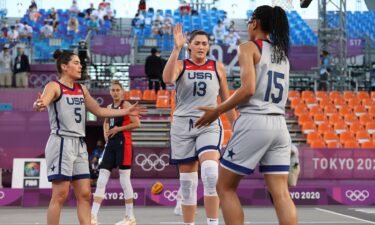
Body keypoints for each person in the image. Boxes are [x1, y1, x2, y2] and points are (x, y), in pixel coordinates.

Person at [195, 5, 297, 225]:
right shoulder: (283, 56)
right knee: (281, 193)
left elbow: (248, 89)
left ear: (255, 22)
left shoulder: (248, 47)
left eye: (250, 21)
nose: (248, 25)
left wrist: (217, 111)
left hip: (255, 120)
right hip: (280, 125)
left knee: (224, 187)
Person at [32, 50, 143, 225]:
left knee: (84, 194)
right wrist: (39, 104)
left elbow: (99, 111)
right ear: (64, 67)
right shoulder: (54, 86)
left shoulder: (81, 89)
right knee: (60, 195)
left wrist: (126, 111)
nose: (80, 65)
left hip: (79, 144)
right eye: (76, 63)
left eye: (79, 62)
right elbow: (43, 101)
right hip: (62, 142)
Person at [163, 25, 236, 225]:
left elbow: (226, 99)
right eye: (197, 43)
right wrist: (176, 49)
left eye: (205, 43)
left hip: (209, 124)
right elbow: (167, 79)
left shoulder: (217, 67)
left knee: (211, 173)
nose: (201, 46)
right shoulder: (181, 64)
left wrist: (235, 124)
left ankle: (212, 223)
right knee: (187, 185)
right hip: (183, 126)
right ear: (189, 46)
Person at [91, 80, 141, 225]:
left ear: (122, 91)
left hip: (124, 143)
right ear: (110, 92)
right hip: (111, 145)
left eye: (118, 90)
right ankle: (93, 216)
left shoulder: (126, 105)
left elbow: (137, 123)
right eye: (113, 90)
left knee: (124, 181)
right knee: (101, 179)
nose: (115, 92)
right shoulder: (109, 107)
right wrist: (105, 133)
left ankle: (130, 217)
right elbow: (106, 121)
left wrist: (118, 129)